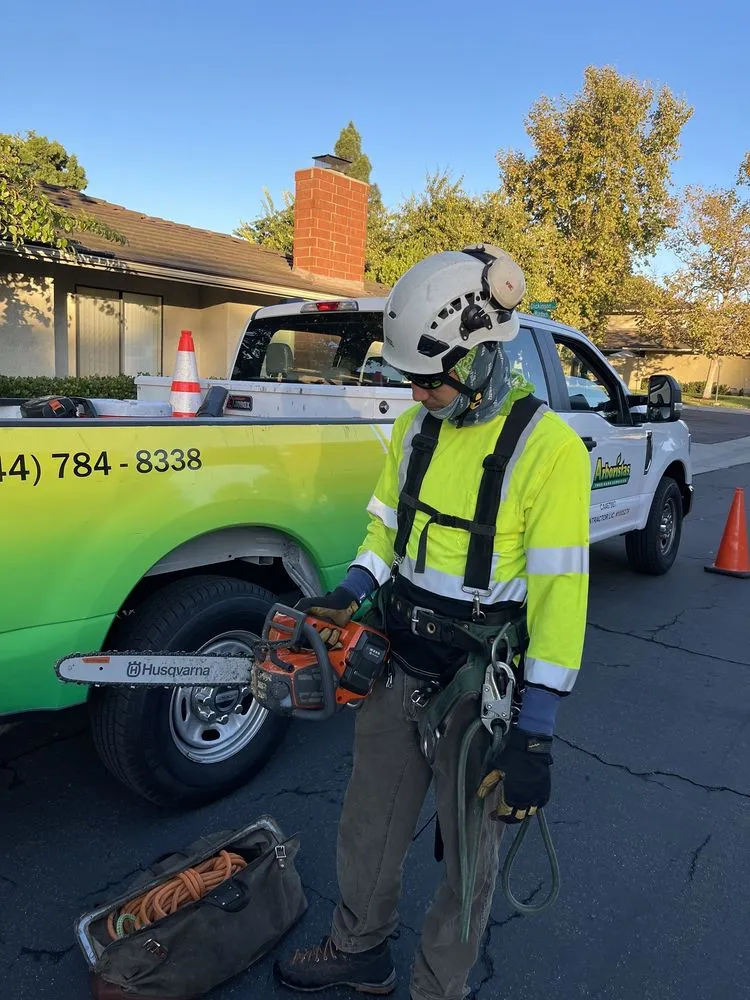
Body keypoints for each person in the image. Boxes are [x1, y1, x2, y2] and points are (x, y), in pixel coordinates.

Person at [275, 245, 591, 1000]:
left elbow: (560, 597)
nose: (417, 392)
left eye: (430, 377)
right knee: (368, 824)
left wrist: (536, 730)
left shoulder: (549, 451)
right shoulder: (416, 430)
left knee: (471, 862)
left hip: (482, 686)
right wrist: (352, 590)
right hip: (399, 663)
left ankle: (436, 987)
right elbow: (386, 527)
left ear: (482, 357)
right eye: (409, 377)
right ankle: (360, 949)